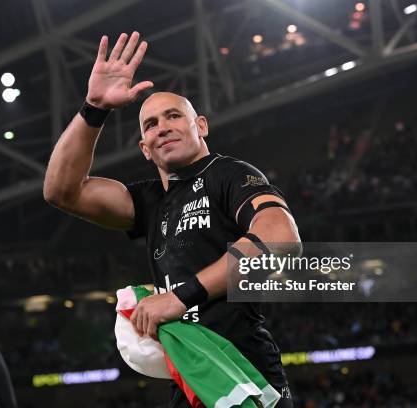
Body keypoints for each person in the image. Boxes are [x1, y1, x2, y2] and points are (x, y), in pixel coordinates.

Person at [44, 31, 300, 407]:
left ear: (201, 126)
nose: (162, 126)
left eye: (174, 116)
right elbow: (61, 191)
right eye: (150, 125)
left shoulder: (227, 174)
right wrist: (94, 107)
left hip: (244, 372)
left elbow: (281, 237)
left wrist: (182, 296)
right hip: (189, 379)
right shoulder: (149, 200)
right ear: (145, 149)